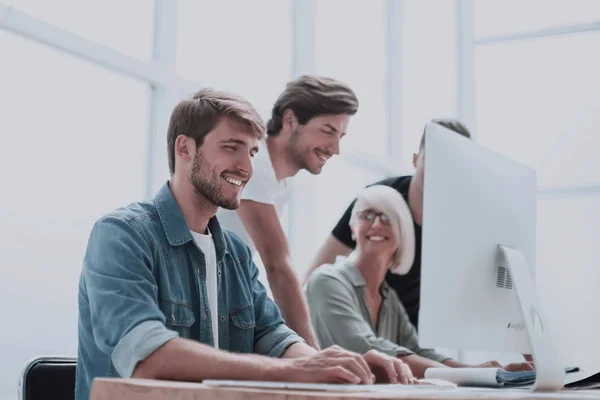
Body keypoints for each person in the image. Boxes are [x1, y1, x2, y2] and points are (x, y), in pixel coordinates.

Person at [75, 89, 413, 400]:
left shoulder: (234, 253)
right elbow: (147, 356)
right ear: (185, 148)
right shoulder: (121, 235)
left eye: (252, 152)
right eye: (231, 147)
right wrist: (295, 370)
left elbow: (274, 338)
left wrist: (340, 366)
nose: (247, 167)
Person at [305, 185, 534, 378]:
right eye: (367, 216)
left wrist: (483, 373)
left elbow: (418, 351)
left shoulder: (389, 298)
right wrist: (464, 375)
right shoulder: (326, 281)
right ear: (353, 229)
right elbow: (364, 346)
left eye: (386, 217)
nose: (375, 225)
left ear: (402, 233)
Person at [217, 75, 359, 348]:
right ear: (290, 120)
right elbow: (277, 266)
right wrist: (316, 357)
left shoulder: (279, 183)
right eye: (328, 130)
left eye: (341, 136)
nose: (336, 148)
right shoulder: (254, 167)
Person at [305, 119, 470, 331]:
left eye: (452, 163)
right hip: (359, 322)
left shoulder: (461, 220)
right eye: (434, 159)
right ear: (415, 160)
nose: (441, 171)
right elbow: (317, 271)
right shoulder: (376, 201)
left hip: (410, 332)